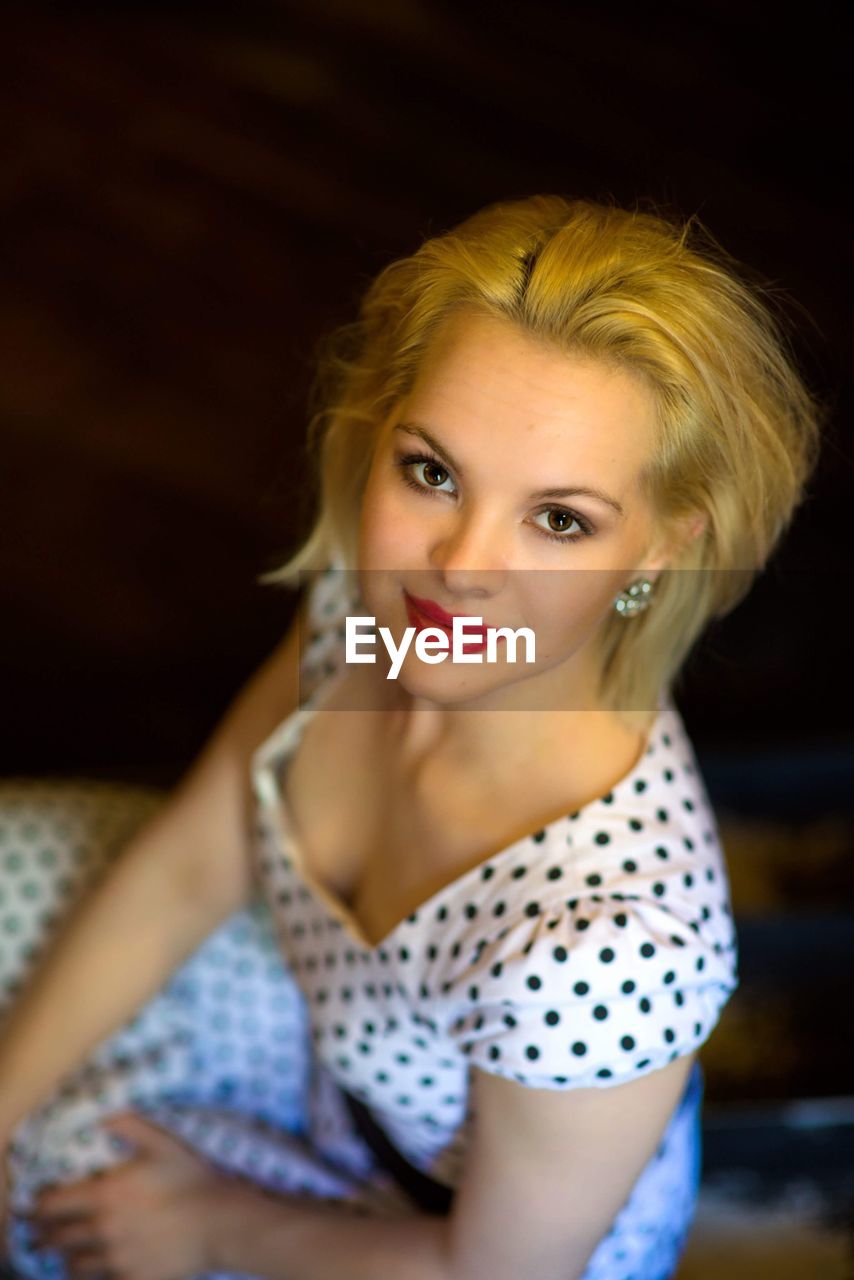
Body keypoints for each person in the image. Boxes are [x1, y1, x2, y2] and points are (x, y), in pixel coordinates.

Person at [0, 195, 821, 1280]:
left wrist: (209, 1223)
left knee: (62, 1206)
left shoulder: (603, 950)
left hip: (439, 1240)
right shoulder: (380, 629)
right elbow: (197, 859)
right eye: (430, 471)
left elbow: (498, 1270)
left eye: (558, 519)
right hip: (322, 1045)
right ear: (374, 430)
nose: (458, 564)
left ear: (662, 550)